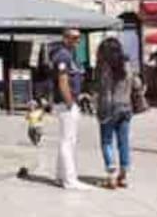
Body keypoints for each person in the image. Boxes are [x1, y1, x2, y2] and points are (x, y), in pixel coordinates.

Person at [96, 37, 142, 189]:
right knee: (124, 143)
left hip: (109, 108)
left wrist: (101, 109)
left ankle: (111, 176)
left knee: (107, 141)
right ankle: (123, 176)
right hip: (126, 107)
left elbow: (105, 90)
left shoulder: (105, 67)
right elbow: (137, 83)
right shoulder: (127, 64)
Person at [50, 28, 91, 190]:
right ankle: (70, 179)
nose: (77, 41)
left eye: (78, 38)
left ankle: (60, 176)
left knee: (67, 140)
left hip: (70, 102)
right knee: (68, 141)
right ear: (65, 38)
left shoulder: (71, 54)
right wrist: (70, 102)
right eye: (74, 38)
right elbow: (62, 81)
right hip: (66, 104)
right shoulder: (63, 55)